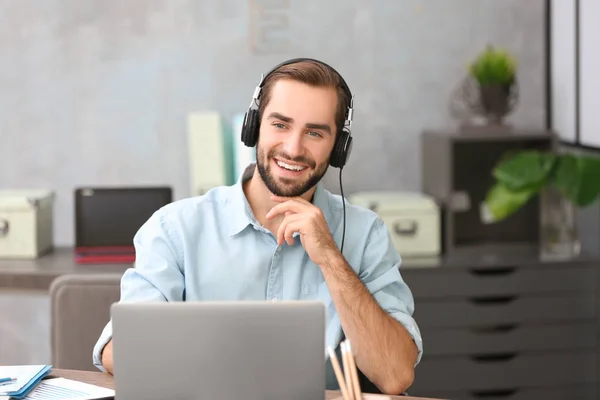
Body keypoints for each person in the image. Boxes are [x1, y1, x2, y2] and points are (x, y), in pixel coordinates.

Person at [92, 58, 423, 395]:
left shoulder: (366, 234)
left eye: (315, 132)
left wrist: (331, 259)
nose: (294, 149)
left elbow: (394, 374)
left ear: (339, 147)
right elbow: (117, 353)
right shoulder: (175, 228)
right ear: (254, 127)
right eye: (280, 125)